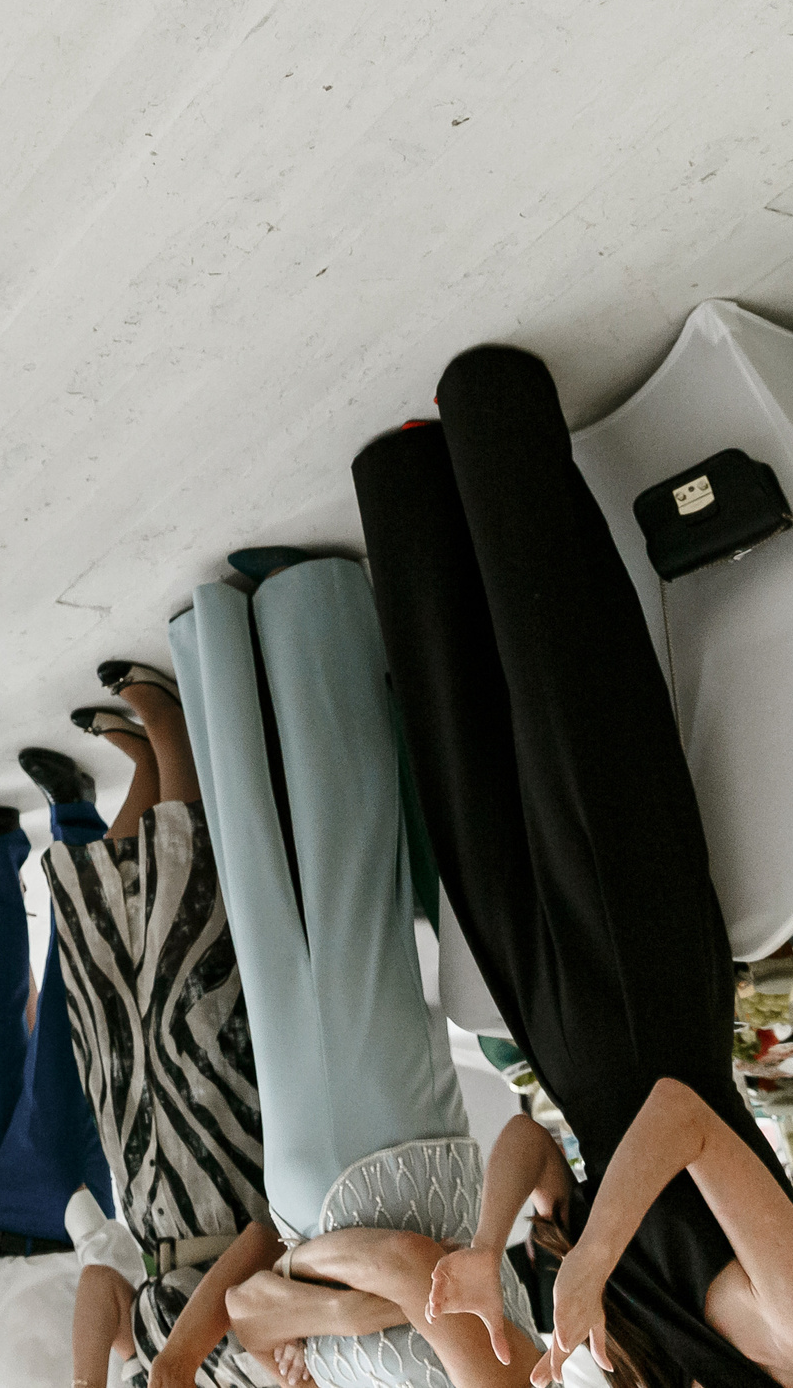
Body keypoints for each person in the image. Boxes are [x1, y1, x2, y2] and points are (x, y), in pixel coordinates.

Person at [354, 346, 793, 1388]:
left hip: (563, 1050)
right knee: (569, 703)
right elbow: (680, 1117)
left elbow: (541, 1152)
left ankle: (414, 484)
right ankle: (494, 417)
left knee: (467, 772)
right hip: (649, 1006)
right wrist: (586, 1262)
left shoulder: (652, 1371)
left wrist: (491, 1248)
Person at [166, 555, 541, 1388]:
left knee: (325, 902)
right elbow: (401, 1269)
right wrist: (320, 1298)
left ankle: (284, 623)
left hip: (354, 1164)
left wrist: (313, 1297)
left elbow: (268, 1312)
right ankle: (269, 627)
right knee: (321, 898)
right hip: (377, 1162)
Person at [40, 669, 271, 1388]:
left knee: (101, 954)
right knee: (182, 947)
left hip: (144, 1184)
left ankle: (145, 762)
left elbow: (104, 1285)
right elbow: (270, 1242)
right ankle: (171, 730)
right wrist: (178, 1359)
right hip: (226, 1165)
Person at [0, 750, 142, 1388]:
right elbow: (133, 1346)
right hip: (57, 1220)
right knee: (67, 1013)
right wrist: (86, 1223)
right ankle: (76, 818)